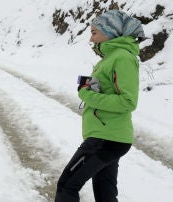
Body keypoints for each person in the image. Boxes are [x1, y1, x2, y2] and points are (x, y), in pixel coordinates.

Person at [55, 10, 145, 202]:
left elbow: (128, 102)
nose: (90, 38)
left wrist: (87, 94)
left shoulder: (122, 57)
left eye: (94, 32)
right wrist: (91, 89)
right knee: (105, 193)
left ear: (110, 31)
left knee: (66, 185)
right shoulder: (111, 58)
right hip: (109, 137)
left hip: (104, 139)